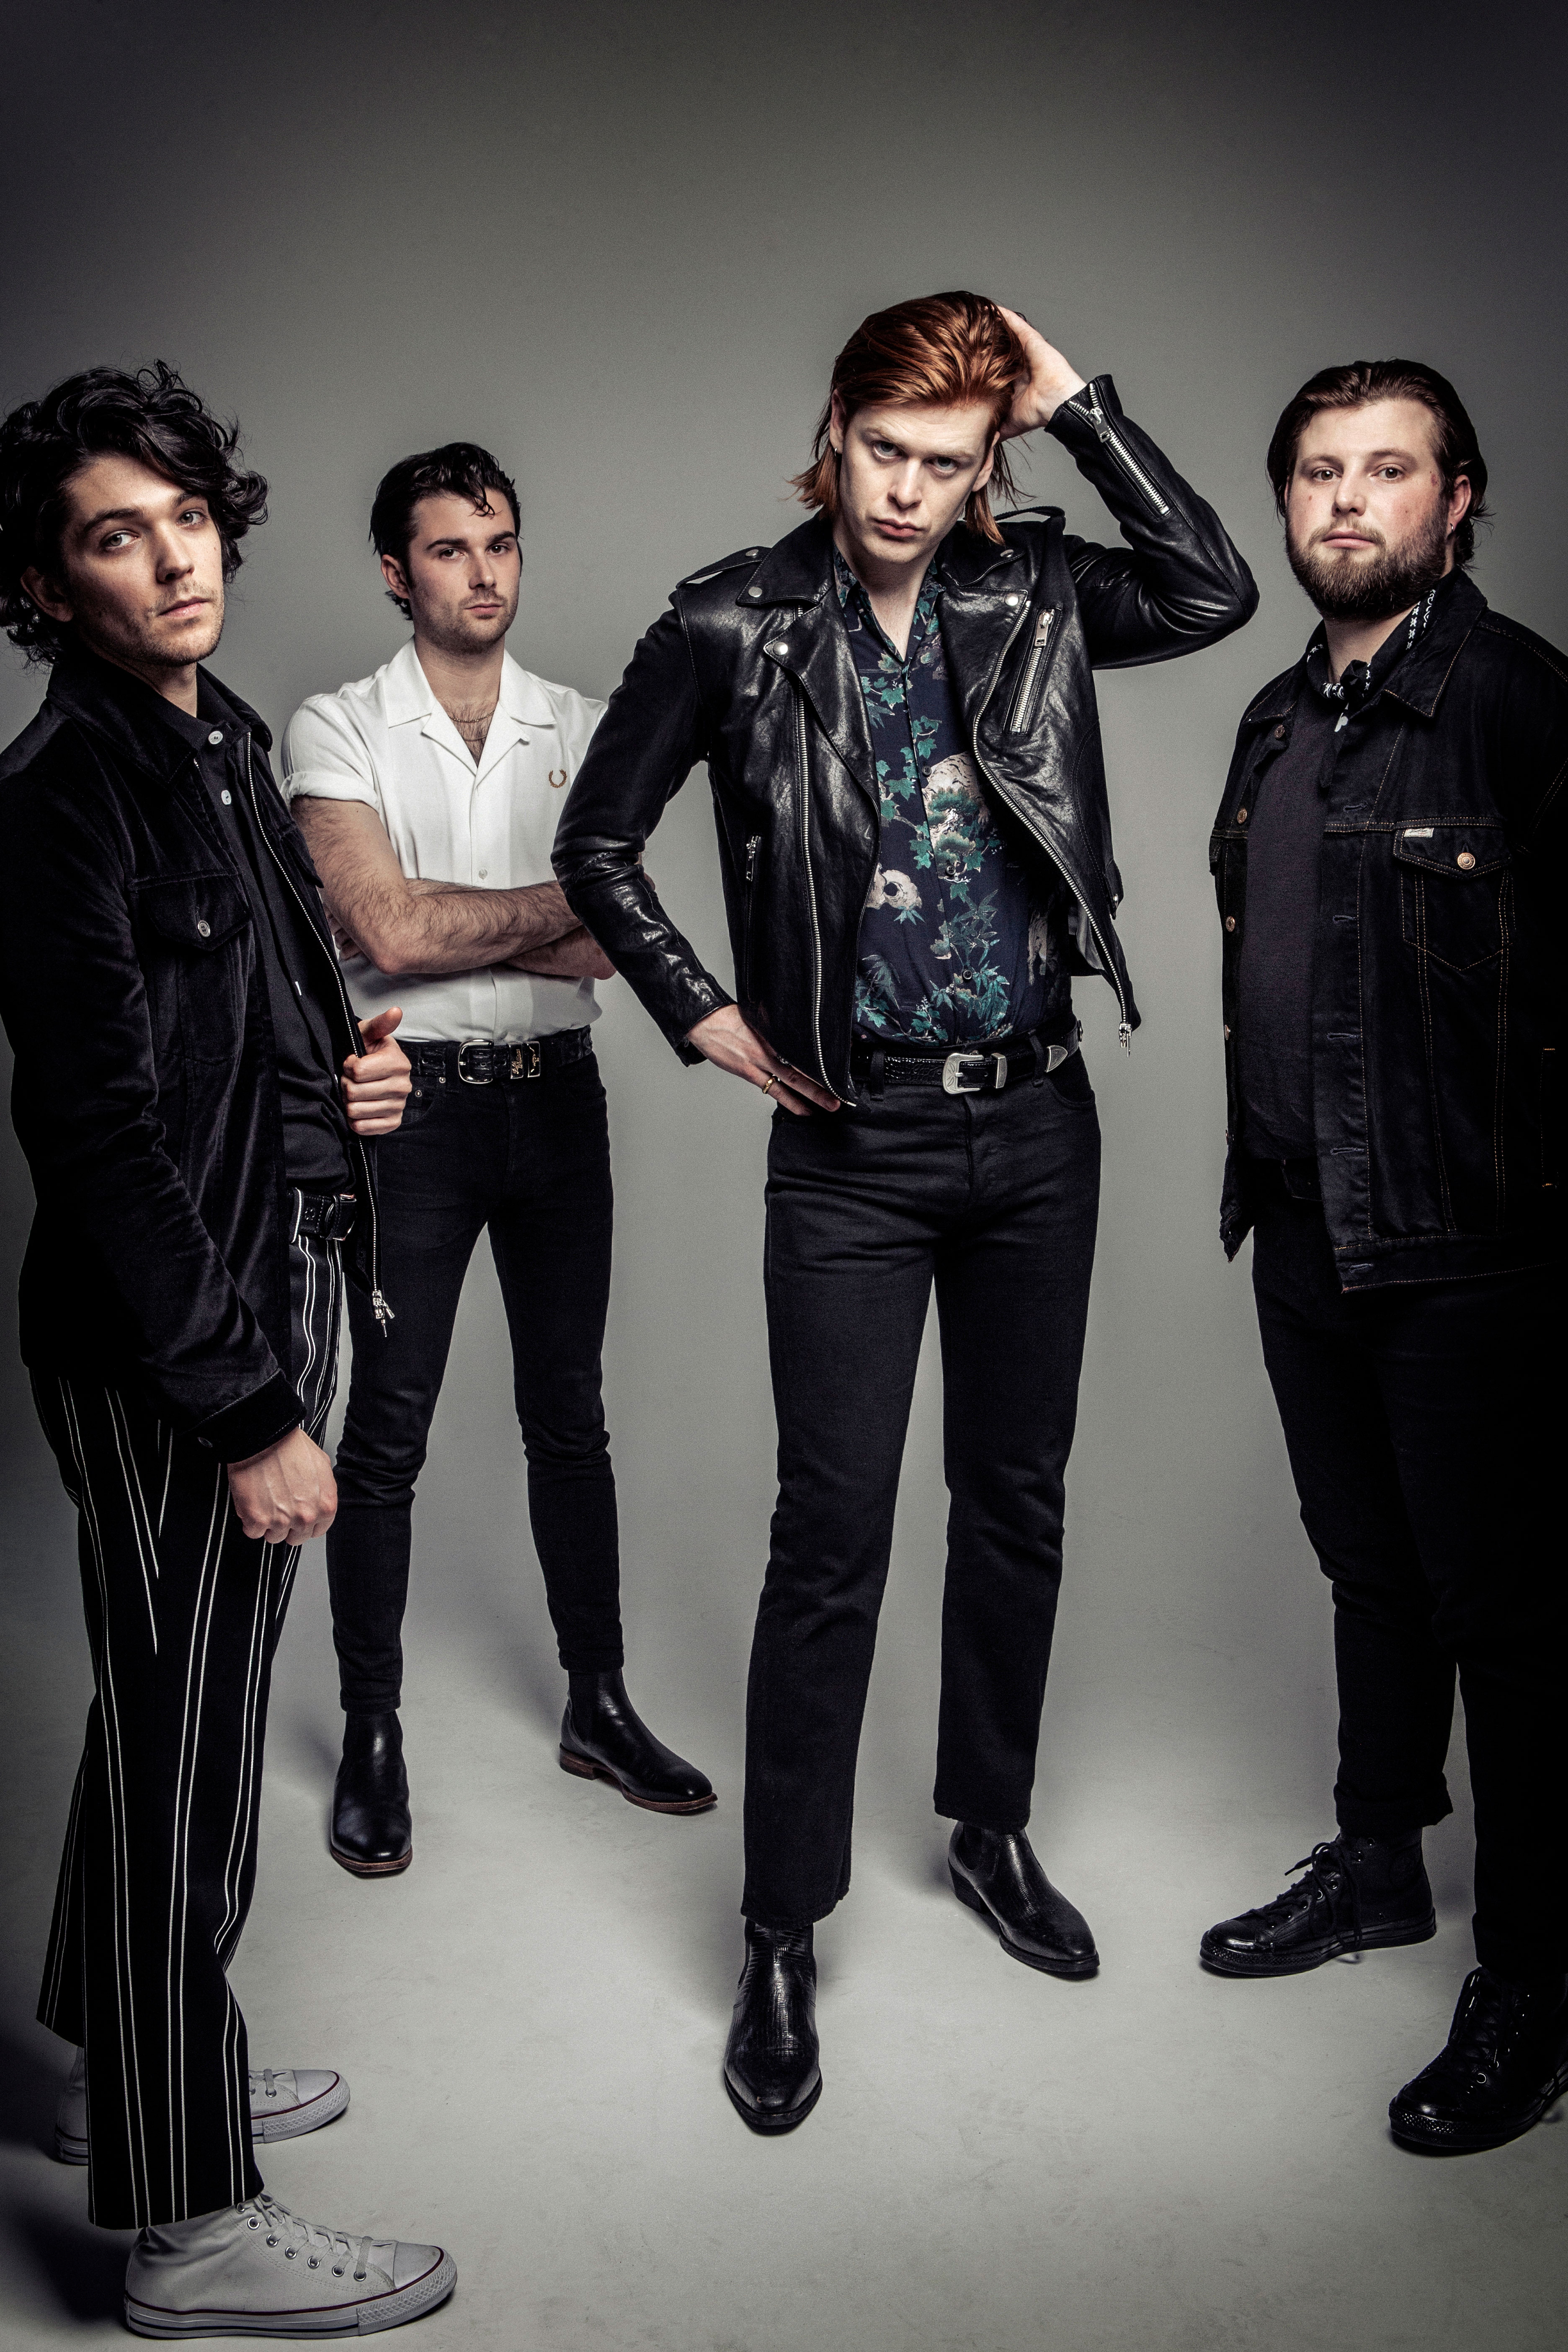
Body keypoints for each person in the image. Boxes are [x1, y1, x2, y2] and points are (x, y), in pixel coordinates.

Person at [552, 291, 1256, 2130]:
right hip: (851, 1145)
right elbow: (596, 843)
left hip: (1038, 1126)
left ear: (986, 464)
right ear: (836, 430)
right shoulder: (730, 619)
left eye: (949, 464)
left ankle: (991, 1828)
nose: (907, 493)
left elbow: (1212, 591)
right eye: (885, 451)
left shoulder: (1035, 594)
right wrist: (701, 1013)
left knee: (1016, 1501)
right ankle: (781, 1928)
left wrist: (1078, 399)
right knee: (833, 1534)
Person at [0, 363, 456, 2334]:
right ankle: (190, 2222)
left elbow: (258, 1018)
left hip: (274, 1284)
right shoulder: (59, 801)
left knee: (168, 1721)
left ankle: (120, 2073)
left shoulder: (220, 743)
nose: (176, 556)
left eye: (187, 514)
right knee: (187, 1765)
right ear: (50, 587)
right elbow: (101, 1143)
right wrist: (252, 1410)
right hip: (176, 1348)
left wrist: (348, 1091)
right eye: (119, 534)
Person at [1200, 360, 1566, 2153]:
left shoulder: (1516, 701)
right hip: (1303, 1220)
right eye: (1319, 472)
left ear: (1458, 498)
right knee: (1371, 1572)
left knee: (1512, 1617)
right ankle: (1378, 1865)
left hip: (1471, 1243)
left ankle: (1538, 1982)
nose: (1348, 500)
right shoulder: (1278, 719)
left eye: (1390, 469)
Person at [281, 442, 712, 1877]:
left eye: (503, 543)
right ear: (396, 572)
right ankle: (374, 1731)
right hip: (411, 1116)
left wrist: (447, 920)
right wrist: (547, 909)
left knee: (570, 1416)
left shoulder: (585, 726)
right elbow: (390, 933)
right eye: (452, 549)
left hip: (557, 1103)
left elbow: (613, 947)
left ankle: (598, 1704)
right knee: (388, 1431)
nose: (484, 572)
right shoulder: (338, 725)